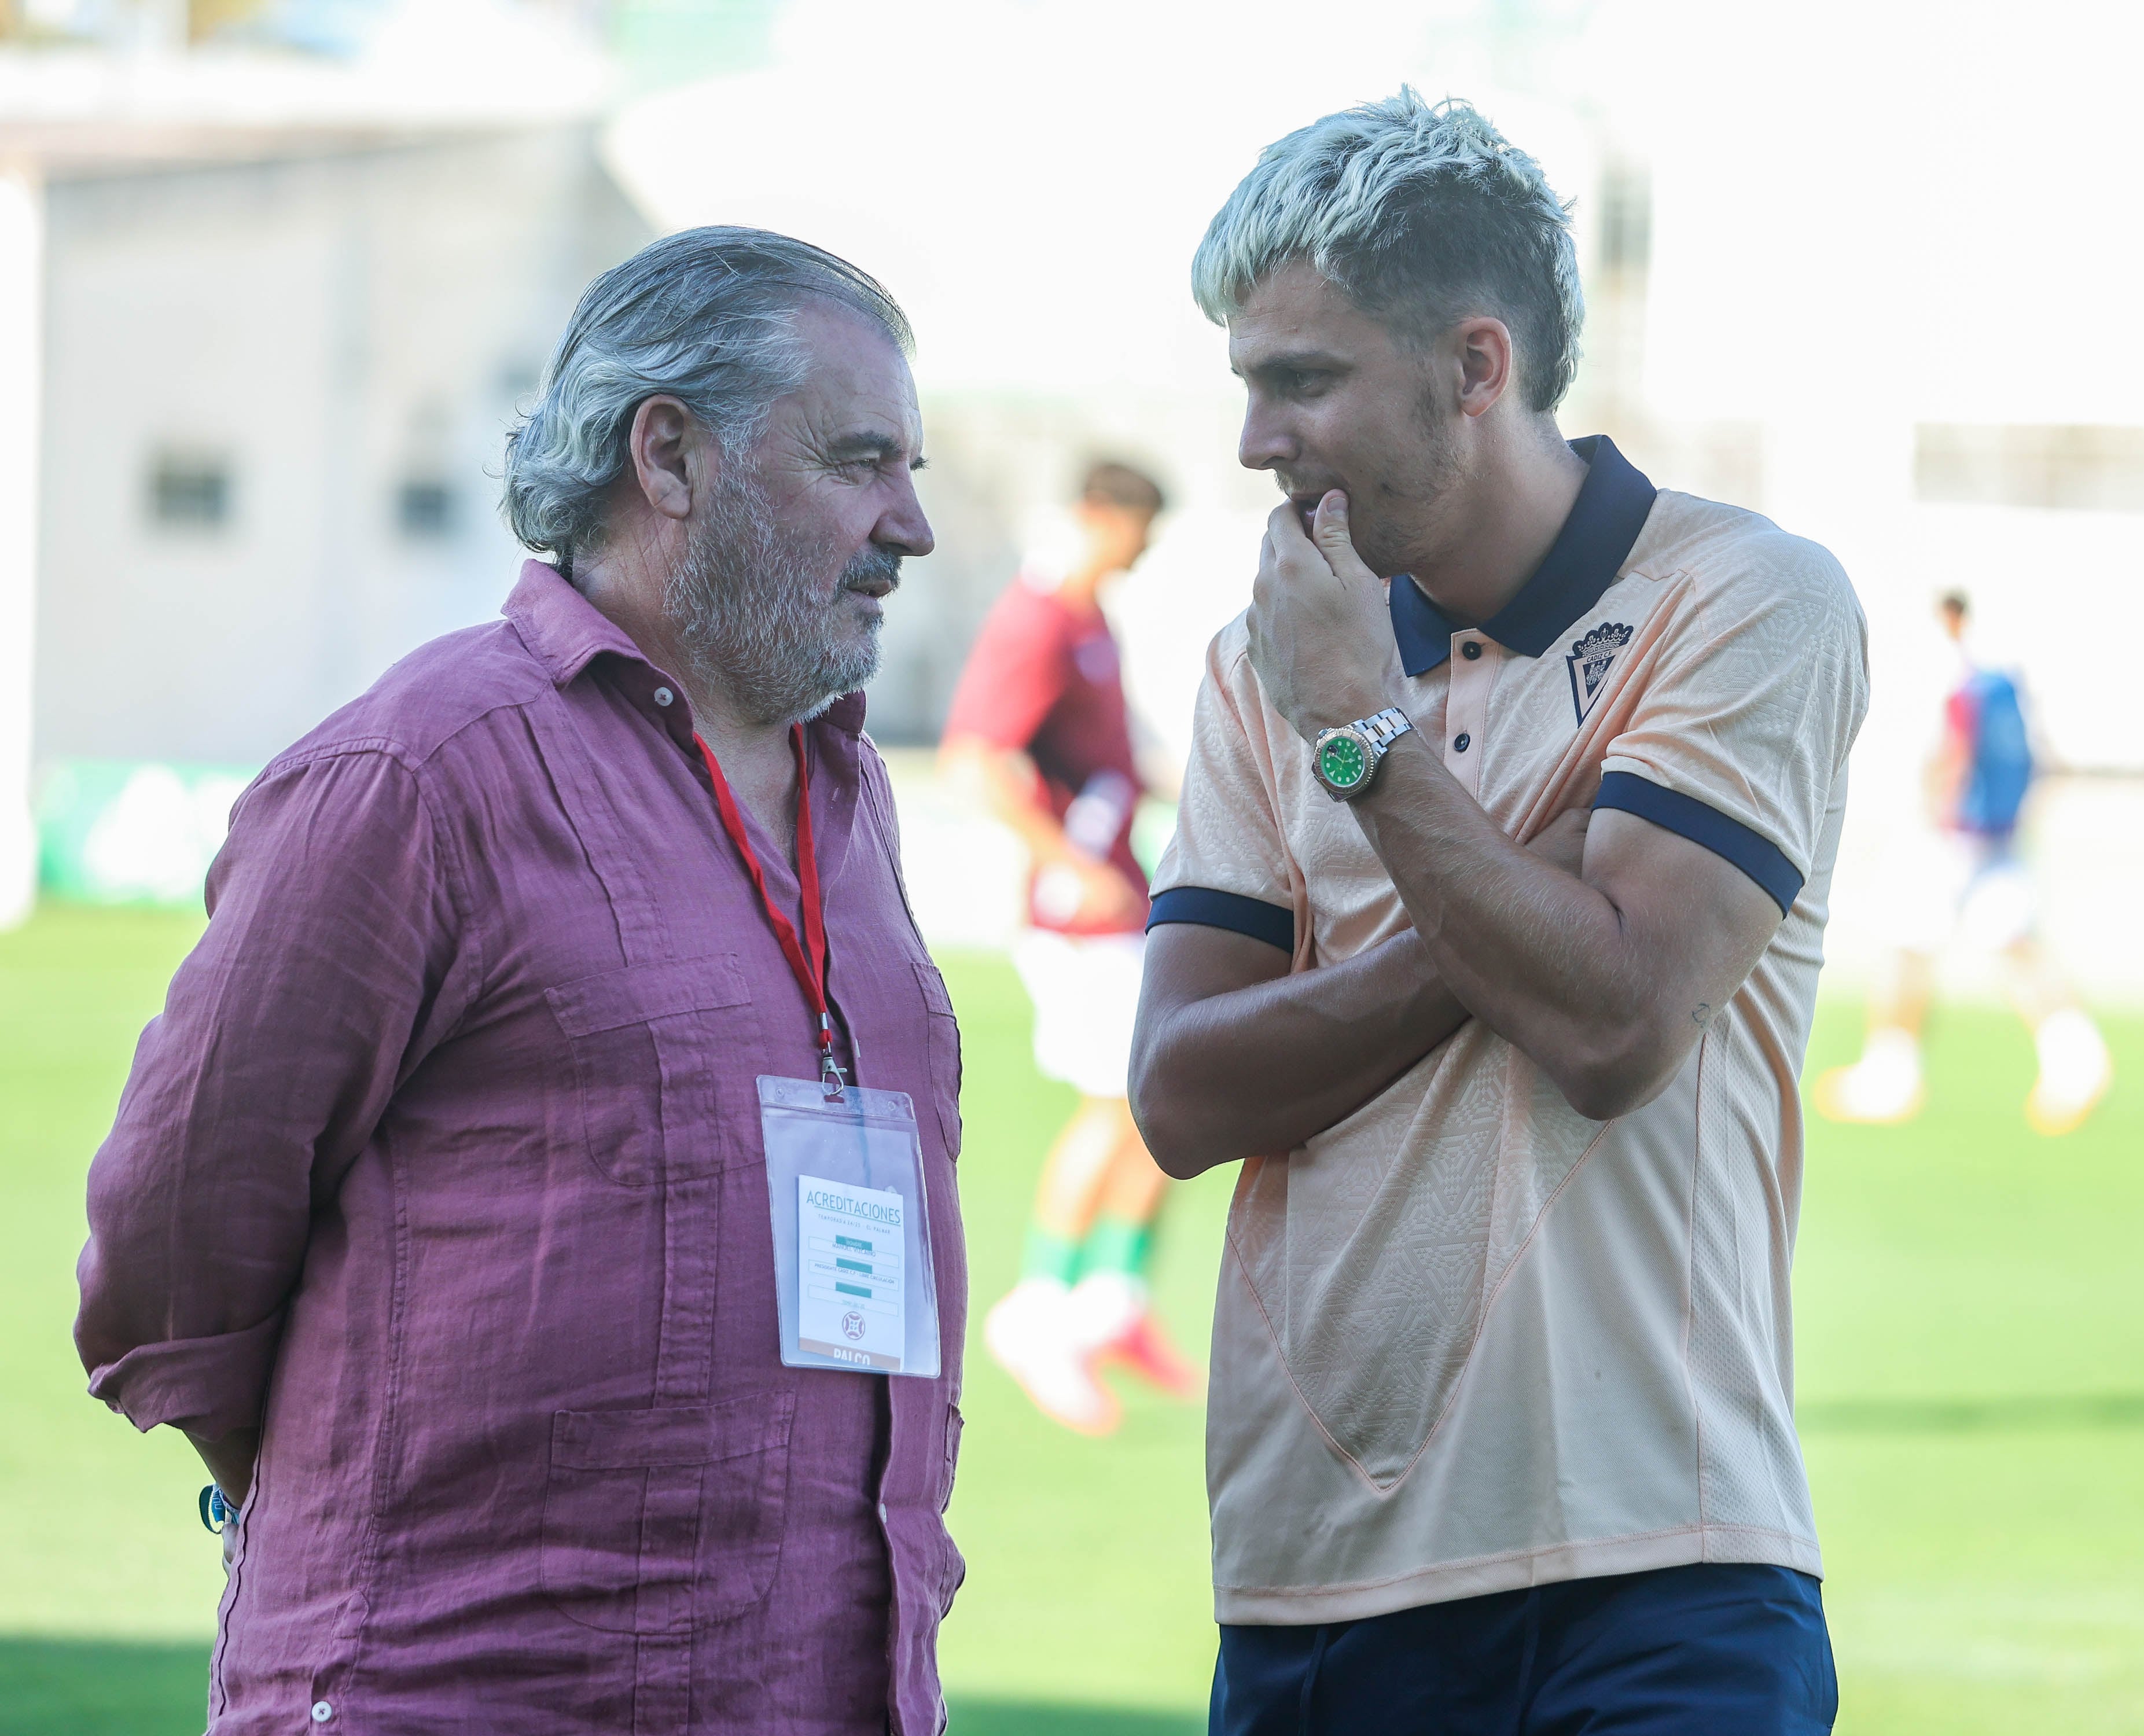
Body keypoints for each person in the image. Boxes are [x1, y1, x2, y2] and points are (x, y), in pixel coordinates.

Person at [74, 228, 969, 1733]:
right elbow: (172, 1240)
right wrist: (337, 1499)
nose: (911, 525)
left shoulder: (845, 795)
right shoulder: (427, 769)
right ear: (669, 457)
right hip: (468, 1687)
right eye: (860, 460)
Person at [1129, 92, 1864, 1734]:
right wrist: (1507, 908)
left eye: (1301, 382)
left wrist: (1361, 737)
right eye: (1247, 384)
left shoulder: (1744, 598)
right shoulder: (1259, 665)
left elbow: (1609, 1026)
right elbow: (1180, 1096)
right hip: (1312, 1580)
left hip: (1661, 1570)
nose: (1257, 442)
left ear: (1475, 367)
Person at [942, 460, 1198, 1434]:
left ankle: (1111, 1304)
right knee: (1118, 1096)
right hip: (1076, 912)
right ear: (1100, 518)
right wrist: (1064, 860)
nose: (1146, 551)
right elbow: (976, 761)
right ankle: (1039, 1307)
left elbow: (1112, 758)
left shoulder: (1089, 621)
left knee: (1166, 1095)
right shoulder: (1036, 619)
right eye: (1140, 530)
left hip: (1120, 900)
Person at [1814, 590, 2111, 1134]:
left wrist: (1937, 811)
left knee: (1908, 947)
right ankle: (2077, 1061)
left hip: (1945, 833)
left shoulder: (1950, 669)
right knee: (2014, 942)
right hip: (1994, 831)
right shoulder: (2006, 672)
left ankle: (1891, 1074)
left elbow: (1946, 752)